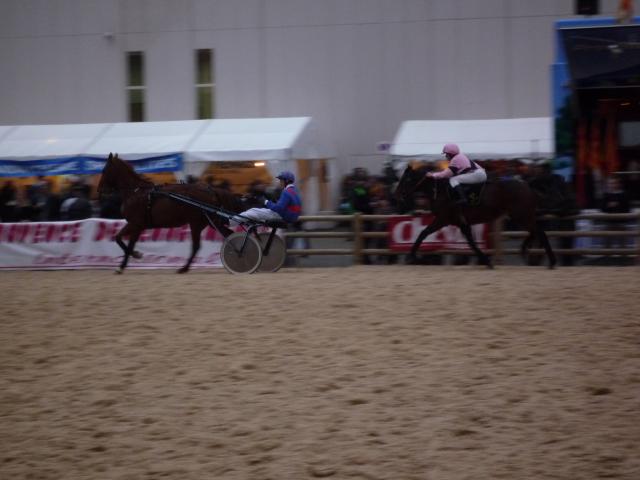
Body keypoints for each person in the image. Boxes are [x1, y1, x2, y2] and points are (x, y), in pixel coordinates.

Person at [236, 171, 302, 224]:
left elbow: (278, 208)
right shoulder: (294, 191)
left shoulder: (286, 192)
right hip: (291, 216)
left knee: (254, 211)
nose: (280, 183)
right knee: (255, 210)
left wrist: (266, 201)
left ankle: (232, 221)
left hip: (283, 216)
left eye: (281, 180)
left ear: (286, 181)